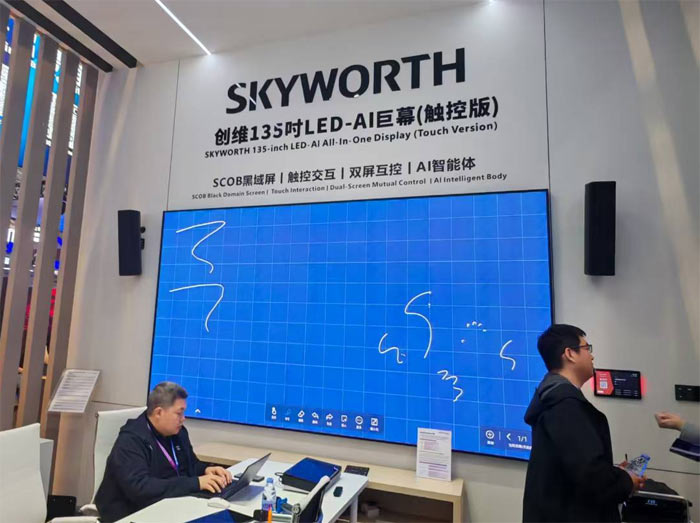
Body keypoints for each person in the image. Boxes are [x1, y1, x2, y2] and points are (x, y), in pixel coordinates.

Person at [522, 324, 644, 522]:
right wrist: (626, 481)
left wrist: (614, 472)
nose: (592, 356)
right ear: (570, 354)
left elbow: (573, 466)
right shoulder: (565, 406)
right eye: (587, 348)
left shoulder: (554, 398)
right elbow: (590, 477)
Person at [95, 382, 233, 522]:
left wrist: (206, 470)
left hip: (172, 506)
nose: (183, 418)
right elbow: (141, 488)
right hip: (133, 514)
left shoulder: (178, 433)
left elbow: (190, 464)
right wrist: (195, 483)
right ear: (159, 412)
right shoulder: (131, 441)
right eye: (179, 413)